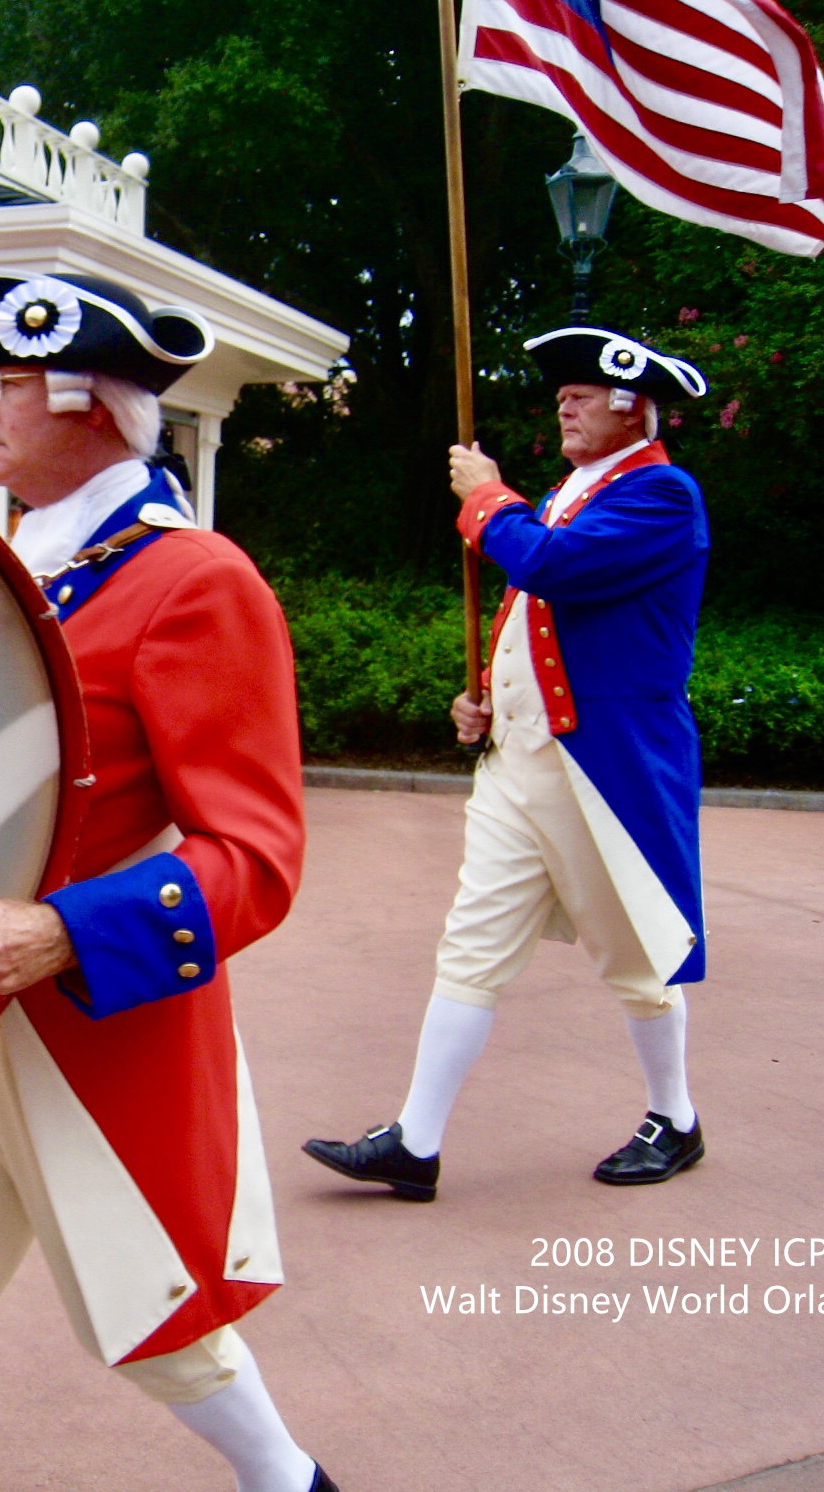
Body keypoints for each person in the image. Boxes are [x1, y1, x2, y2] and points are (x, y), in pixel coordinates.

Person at [0, 271, 338, 1492]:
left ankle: (291, 1485)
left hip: (84, 1020)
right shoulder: (4, 569)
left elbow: (256, 861)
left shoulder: (193, 581)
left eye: (2, 384)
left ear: (90, 403)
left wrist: (60, 932)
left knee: (149, 1299)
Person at [304, 326, 711, 1198]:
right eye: (560, 392)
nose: (564, 401)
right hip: (520, 759)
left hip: (600, 771)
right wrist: (490, 696)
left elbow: (551, 568)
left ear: (634, 406)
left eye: (584, 391)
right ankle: (414, 1142)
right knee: (470, 945)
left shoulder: (662, 494)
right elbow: (541, 618)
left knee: (633, 953)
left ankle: (674, 1118)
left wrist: (486, 498)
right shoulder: (572, 490)